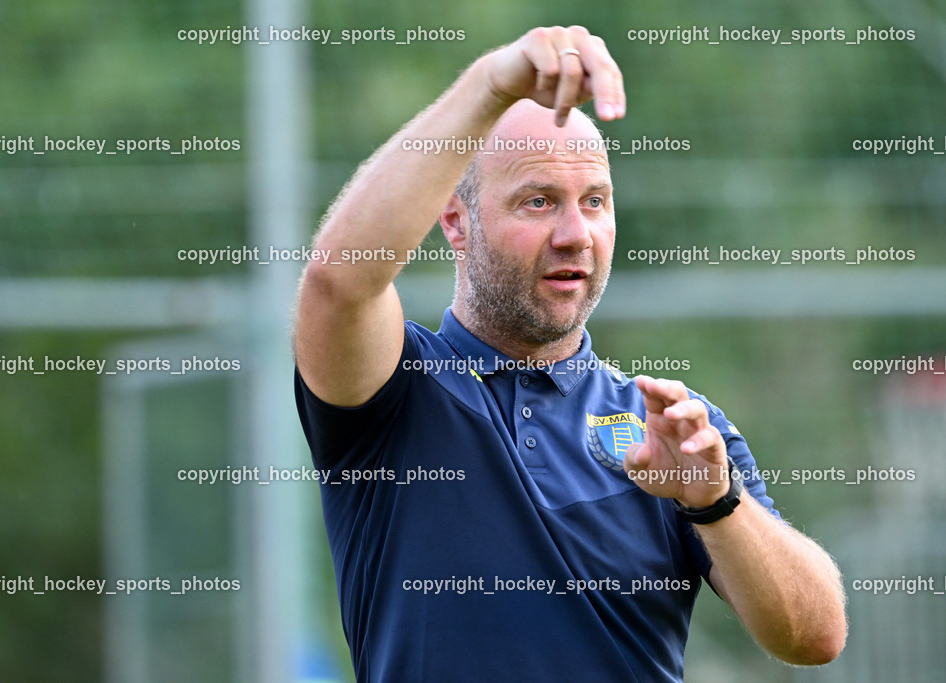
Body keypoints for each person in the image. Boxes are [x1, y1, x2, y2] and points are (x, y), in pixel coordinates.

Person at [294, 25, 846, 681]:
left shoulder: (671, 429)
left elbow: (815, 635)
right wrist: (491, 85)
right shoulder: (396, 392)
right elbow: (339, 280)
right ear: (455, 221)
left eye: (595, 202)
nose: (574, 234)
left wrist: (716, 501)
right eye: (538, 201)